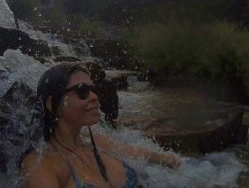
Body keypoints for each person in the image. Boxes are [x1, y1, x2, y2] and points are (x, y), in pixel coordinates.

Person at [21, 62, 181, 188]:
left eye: (93, 89)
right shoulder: (41, 165)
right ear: (52, 104)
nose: (95, 97)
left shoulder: (95, 141)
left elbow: (133, 152)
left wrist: (167, 159)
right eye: (82, 91)